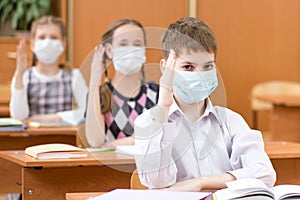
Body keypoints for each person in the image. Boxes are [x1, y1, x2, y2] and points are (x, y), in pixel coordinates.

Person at [134, 17, 276, 191]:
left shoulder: (231, 120)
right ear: (165, 68)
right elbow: (156, 182)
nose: (200, 75)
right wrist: (163, 106)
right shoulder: (147, 122)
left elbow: (264, 173)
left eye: (207, 66)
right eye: (188, 67)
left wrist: (201, 183)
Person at [85, 19, 159, 148]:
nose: (130, 50)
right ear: (109, 50)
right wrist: (94, 80)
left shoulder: (157, 93)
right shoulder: (100, 95)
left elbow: (157, 137)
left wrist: (111, 145)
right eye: (123, 44)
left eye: (137, 44)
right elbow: (95, 141)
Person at [10, 15, 87, 125]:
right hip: (32, 140)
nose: (47, 43)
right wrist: (19, 74)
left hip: (64, 140)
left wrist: (51, 118)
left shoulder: (74, 76)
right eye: (42, 37)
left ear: (63, 44)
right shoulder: (25, 78)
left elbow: (88, 112)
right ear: (32, 45)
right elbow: (19, 117)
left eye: (54, 37)